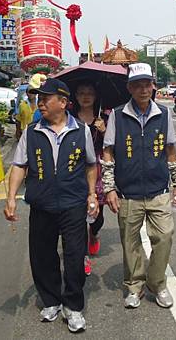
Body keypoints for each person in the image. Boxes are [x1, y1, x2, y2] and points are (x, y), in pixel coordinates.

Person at [4, 78, 99, 333]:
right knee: (42, 255)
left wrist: (92, 194)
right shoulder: (32, 131)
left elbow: (91, 164)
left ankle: (73, 306)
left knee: (75, 256)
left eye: (46, 98)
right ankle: (51, 301)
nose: (41, 102)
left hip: (73, 204)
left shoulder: (81, 130)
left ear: (63, 103)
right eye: (40, 98)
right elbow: (19, 165)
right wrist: (11, 197)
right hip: (42, 204)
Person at [101, 63, 176, 310]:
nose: (143, 89)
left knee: (164, 236)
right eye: (137, 85)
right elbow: (108, 153)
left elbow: (170, 150)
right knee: (130, 242)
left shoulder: (164, 114)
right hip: (128, 193)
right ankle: (134, 286)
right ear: (129, 88)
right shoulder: (117, 115)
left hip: (159, 191)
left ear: (153, 86)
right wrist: (109, 188)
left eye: (147, 84)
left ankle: (157, 284)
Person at [73, 81, 107, 276]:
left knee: (97, 215)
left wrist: (103, 130)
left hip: (98, 169)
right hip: (75, 169)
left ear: (96, 96)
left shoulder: (105, 117)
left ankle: (93, 234)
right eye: (81, 92)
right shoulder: (69, 118)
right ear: (75, 96)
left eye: (90, 93)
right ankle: (82, 254)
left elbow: (113, 145)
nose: (85, 96)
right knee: (77, 216)